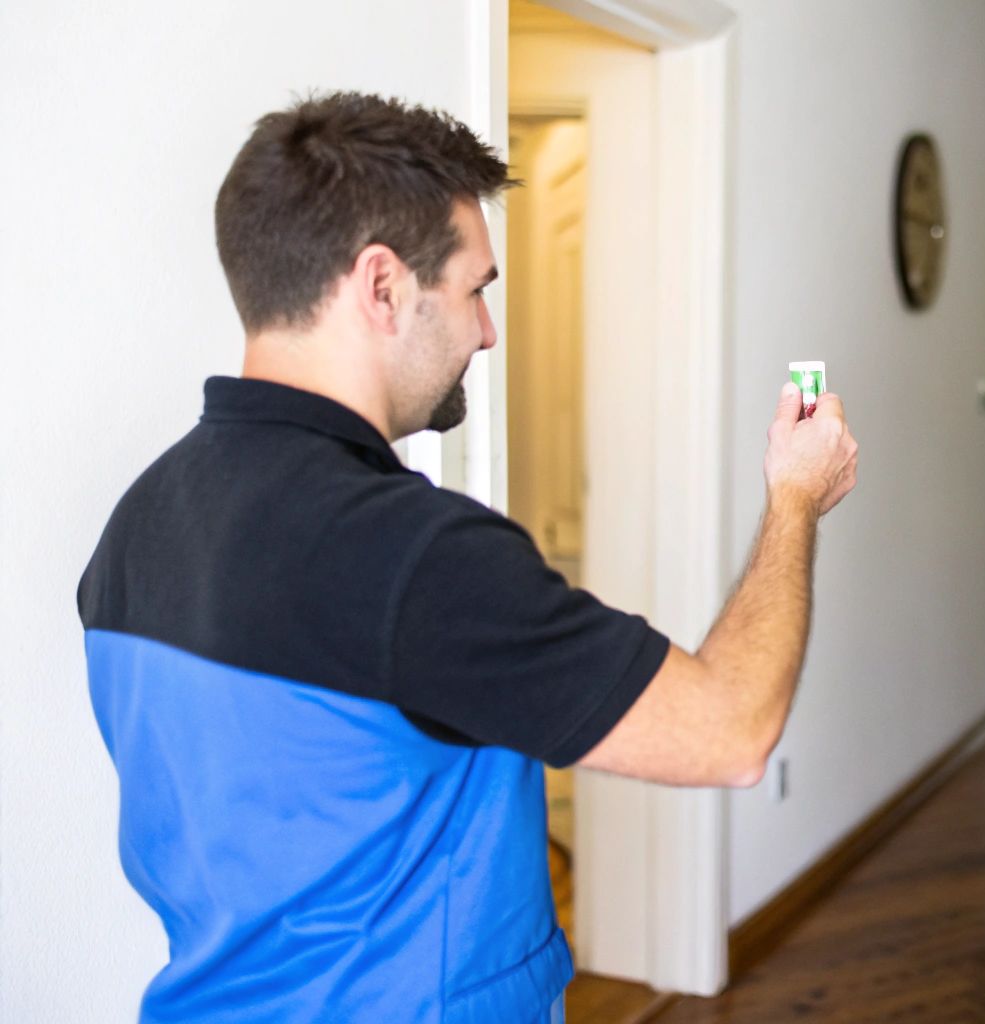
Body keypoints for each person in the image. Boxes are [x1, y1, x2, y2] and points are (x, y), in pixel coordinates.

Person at [77, 92, 858, 1024]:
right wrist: (795, 499)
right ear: (381, 285)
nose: (488, 331)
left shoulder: (137, 525)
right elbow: (732, 733)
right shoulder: (414, 556)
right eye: (475, 288)